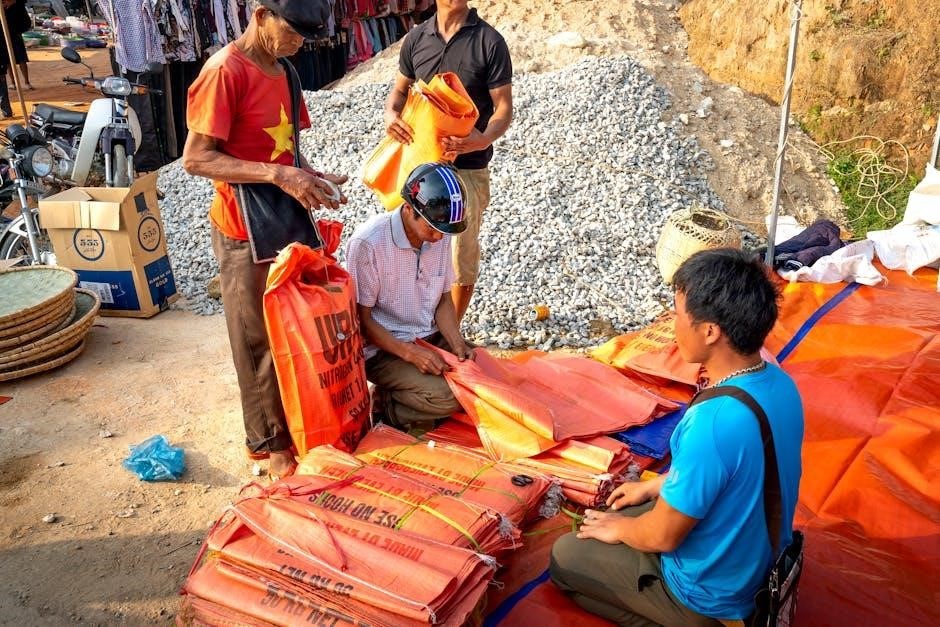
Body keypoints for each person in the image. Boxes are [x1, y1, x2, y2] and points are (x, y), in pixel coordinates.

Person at [550, 248, 804, 626]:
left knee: (566, 556)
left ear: (710, 331)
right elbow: (738, 468)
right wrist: (655, 487)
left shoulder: (711, 423)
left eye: (678, 314)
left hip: (711, 597)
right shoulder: (780, 383)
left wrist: (624, 529)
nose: (673, 325)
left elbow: (663, 537)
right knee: (620, 513)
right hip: (759, 565)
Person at [182, 0, 345, 478]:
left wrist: (311, 177)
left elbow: (286, 148)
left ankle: (298, 423)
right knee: (256, 339)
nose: (297, 43)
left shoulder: (286, 72)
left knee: (291, 326)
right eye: (291, 32)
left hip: (285, 221)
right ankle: (271, 443)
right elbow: (196, 159)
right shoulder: (224, 72)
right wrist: (277, 175)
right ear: (259, 15)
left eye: (303, 37)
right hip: (241, 226)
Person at [384, 0, 513, 322]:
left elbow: (503, 108)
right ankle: (412, 323)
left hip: (467, 168)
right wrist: (390, 115)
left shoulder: (489, 41)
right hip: (419, 164)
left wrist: (483, 138)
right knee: (408, 243)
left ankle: (448, 332)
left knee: (459, 254)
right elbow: (399, 91)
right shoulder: (416, 38)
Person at [347, 162, 475, 428]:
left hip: (428, 336)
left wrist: (457, 343)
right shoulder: (368, 244)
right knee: (449, 397)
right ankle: (386, 408)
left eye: (444, 231)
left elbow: (443, 300)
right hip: (383, 350)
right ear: (408, 209)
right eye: (432, 229)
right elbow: (362, 321)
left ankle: (412, 399)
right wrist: (410, 353)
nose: (438, 237)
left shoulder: (440, 232)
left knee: (483, 375)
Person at [3, 0, 32, 91]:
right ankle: (13, 82)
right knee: (7, 60)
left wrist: (12, 2)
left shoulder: (18, 5)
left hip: (15, 32)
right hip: (3, 33)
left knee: (21, 58)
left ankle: (27, 82)